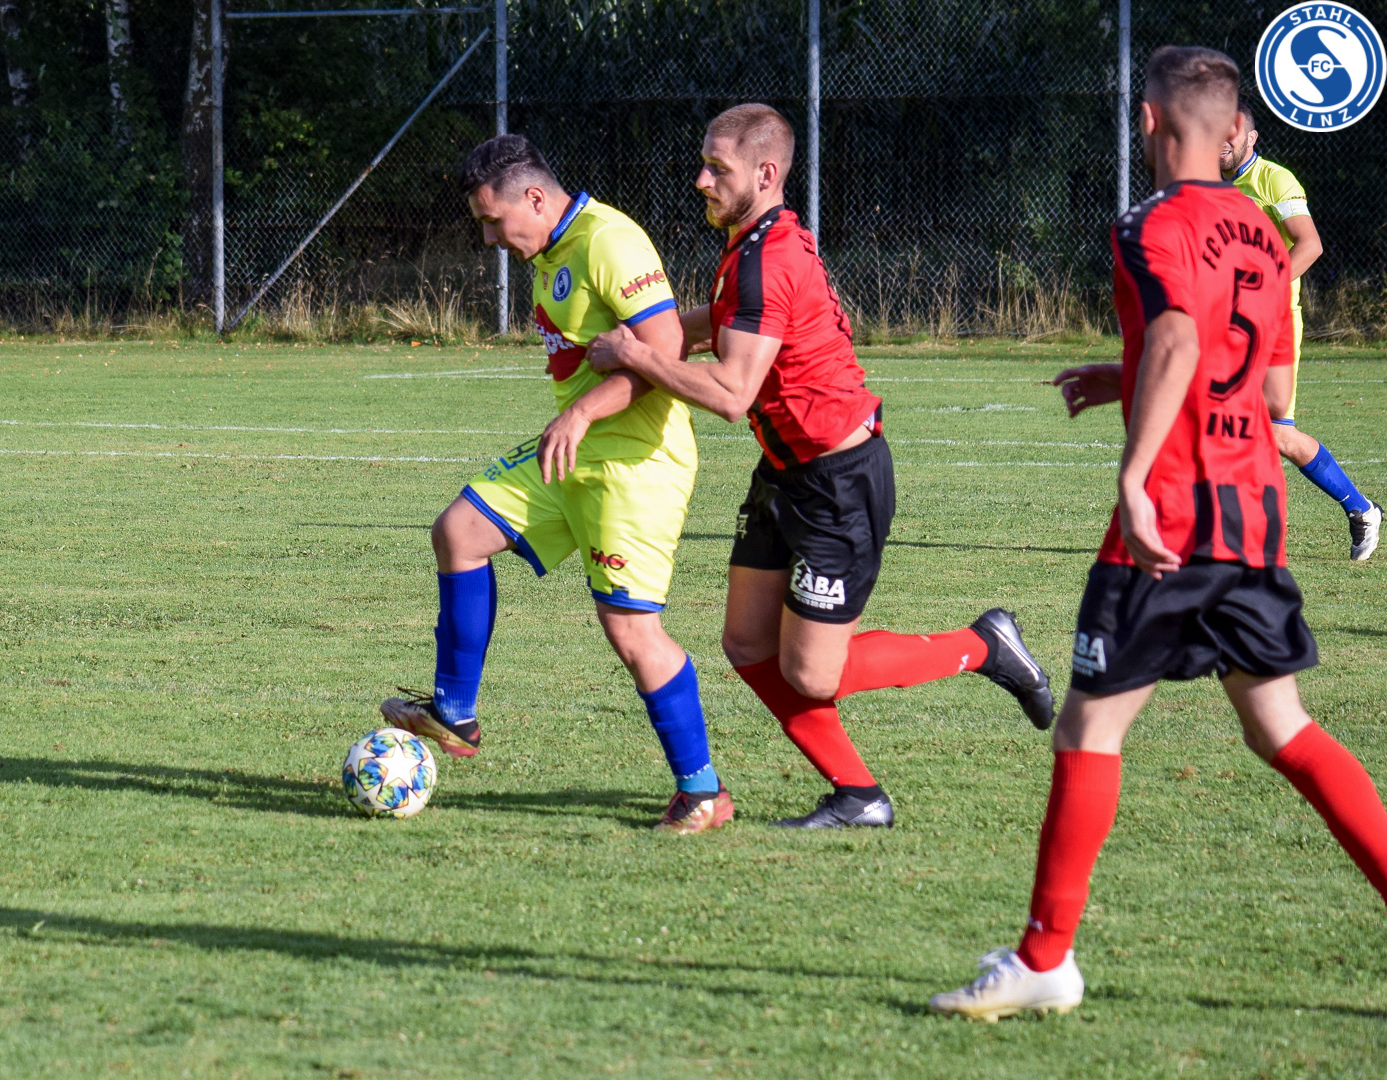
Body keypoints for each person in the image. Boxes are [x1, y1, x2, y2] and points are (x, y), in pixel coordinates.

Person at [930, 47, 1387, 1022]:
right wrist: (1124, 374)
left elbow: (1180, 335)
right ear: (1230, 131)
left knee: (1090, 728)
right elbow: (1259, 382)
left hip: (1172, 516)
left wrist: (1134, 477)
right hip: (1253, 510)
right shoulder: (1267, 237)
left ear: (1149, 121)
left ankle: (1045, 960)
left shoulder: (1150, 222)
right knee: (1284, 729)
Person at [588, 104, 1055, 830]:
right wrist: (650, 336)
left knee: (811, 672)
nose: (701, 180)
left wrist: (637, 356)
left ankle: (983, 646)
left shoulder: (765, 258)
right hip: (785, 473)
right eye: (704, 164)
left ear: (765, 173)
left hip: (840, 483)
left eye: (718, 168)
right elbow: (723, 322)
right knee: (747, 644)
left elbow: (732, 393)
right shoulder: (752, 243)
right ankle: (859, 796)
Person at [380, 135, 734, 834]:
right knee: (459, 531)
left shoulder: (609, 242)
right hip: (573, 451)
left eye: (493, 221)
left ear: (535, 198)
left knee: (631, 631)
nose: (489, 238)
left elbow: (664, 352)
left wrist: (582, 411)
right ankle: (455, 713)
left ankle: (703, 792)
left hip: (635, 463)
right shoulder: (549, 252)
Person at [1220, 98, 1380, 560]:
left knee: (1277, 435)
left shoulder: (1274, 179)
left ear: (1251, 137)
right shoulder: (1214, 188)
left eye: (1232, 131)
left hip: (1273, 327)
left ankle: (1361, 509)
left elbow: (1310, 245)